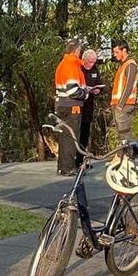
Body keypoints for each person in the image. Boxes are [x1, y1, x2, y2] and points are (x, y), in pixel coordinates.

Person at [53, 40, 88, 175]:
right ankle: (68, 168)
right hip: (72, 106)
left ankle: (62, 166)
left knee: (64, 136)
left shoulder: (62, 64)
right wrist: (85, 93)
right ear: (77, 51)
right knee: (71, 137)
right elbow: (72, 91)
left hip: (61, 105)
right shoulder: (72, 65)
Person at [110, 39, 138, 143]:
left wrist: (120, 105)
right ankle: (120, 156)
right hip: (119, 104)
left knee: (124, 133)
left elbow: (129, 86)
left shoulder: (131, 64)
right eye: (114, 52)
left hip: (124, 105)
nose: (114, 55)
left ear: (124, 50)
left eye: (117, 52)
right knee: (120, 133)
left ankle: (126, 157)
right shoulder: (123, 65)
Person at [79, 49, 103, 154]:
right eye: (89, 61)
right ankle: (74, 160)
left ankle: (82, 159)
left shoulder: (95, 69)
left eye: (94, 61)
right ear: (84, 59)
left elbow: (100, 83)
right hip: (78, 105)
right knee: (76, 133)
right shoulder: (78, 68)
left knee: (85, 134)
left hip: (89, 106)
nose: (91, 64)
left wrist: (98, 90)